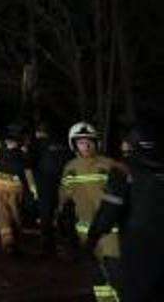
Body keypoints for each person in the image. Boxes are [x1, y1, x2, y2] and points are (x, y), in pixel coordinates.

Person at [88, 121, 164, 302]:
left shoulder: (124, 170)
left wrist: (93, 236)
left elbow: (110, 209)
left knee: (136, 291)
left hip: (138, 243)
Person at [59, 121, 124, 302]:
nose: (86, 146)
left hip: (110, 231)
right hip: (85, 233)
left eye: (89, 141)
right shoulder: (69, 168)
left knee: (116, 273)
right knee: (97, 277)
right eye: (81, 142)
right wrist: (60, 215)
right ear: (74, 145)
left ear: (96, 143)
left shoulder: (109, 164)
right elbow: (64, 195)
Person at [0, 121, 36, 255]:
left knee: (1, 213)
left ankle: (8, 241)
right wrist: (33, 188)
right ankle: (15, 241)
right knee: (16, 214)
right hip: (16, 188)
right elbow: (27, 169)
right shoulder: (23, 147)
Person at [29, 119, 73, 255]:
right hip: (64, 182)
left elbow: (29, 163)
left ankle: (47, 246)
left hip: (45, 182)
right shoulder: (64, 143)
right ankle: (67, 242)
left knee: (46, 213)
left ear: (40, 132)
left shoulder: (38, 143)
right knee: (64, 211)